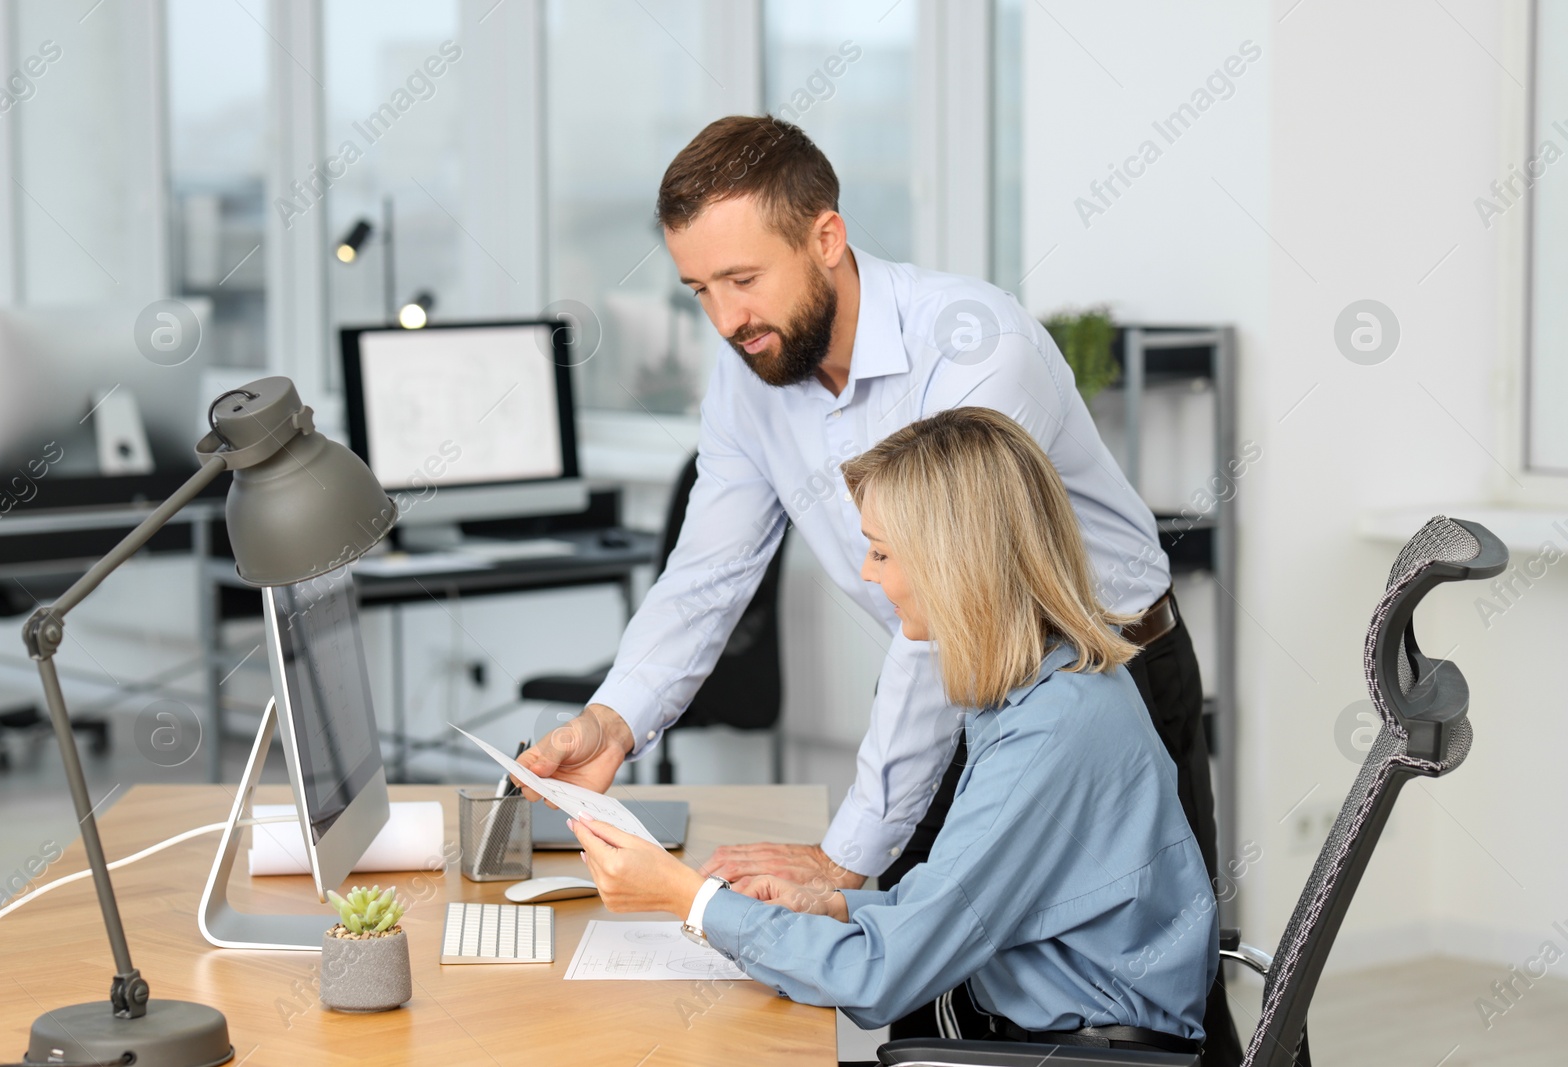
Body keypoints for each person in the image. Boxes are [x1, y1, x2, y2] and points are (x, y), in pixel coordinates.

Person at [517, 114, 1239, 1060]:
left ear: (826, 237)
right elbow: (707, 573)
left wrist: (839, 858)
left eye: (743, 279)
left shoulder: (976, 347)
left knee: (1129, 981)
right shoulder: (750, 374)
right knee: (941, 960)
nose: (727, 318)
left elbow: (945, 616)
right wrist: (614, 719)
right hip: (984, 691)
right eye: (699, 290)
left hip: (1105, 672)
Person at [567, 408, 1219, 1053]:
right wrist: (837, 908)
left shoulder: (1053, 733)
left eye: (881, 551)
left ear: (954, 565)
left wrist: (686, 894)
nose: (868, 574)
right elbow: (955, 900)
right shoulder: (1043, 689)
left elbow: (878, 976)